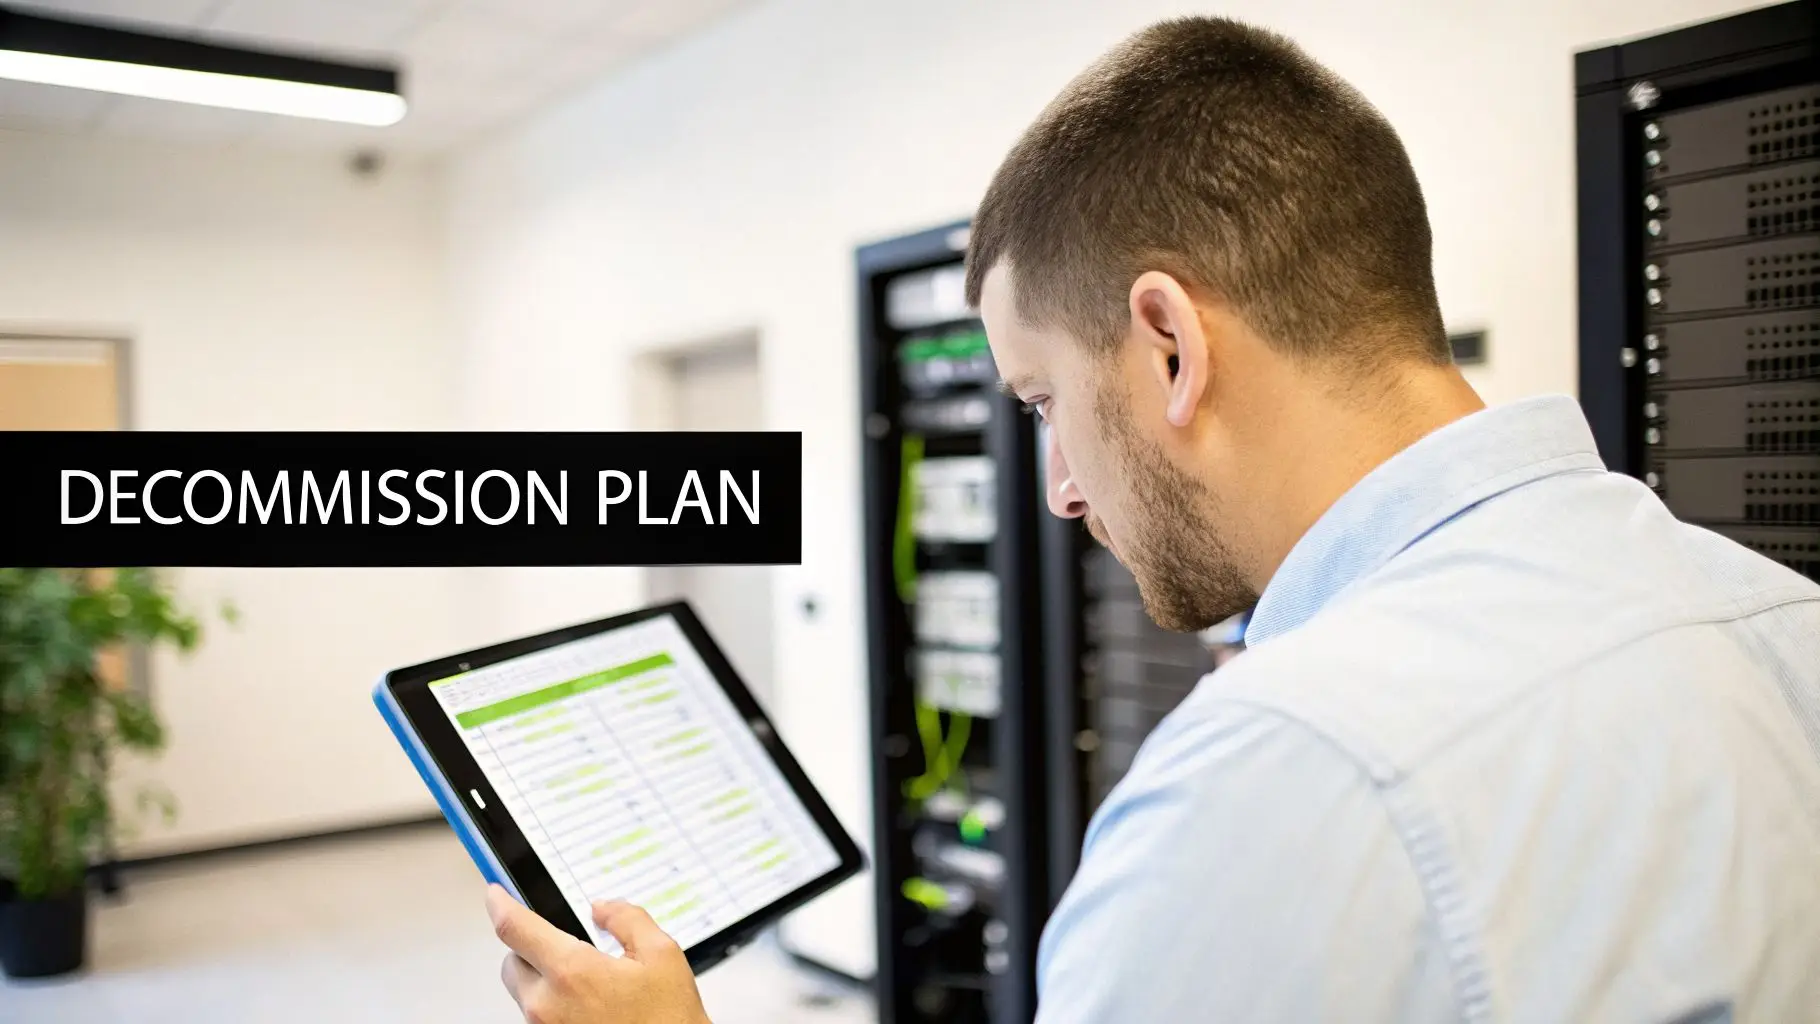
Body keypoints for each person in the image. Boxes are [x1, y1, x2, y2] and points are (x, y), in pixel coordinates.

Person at [481, 15, 1820, 1023]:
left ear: (1170, 344)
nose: (1059, 486)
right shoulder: (1769, 609)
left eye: (1047, 399)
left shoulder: (1269, 780)